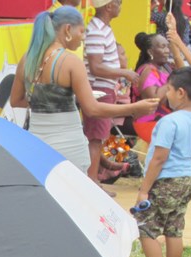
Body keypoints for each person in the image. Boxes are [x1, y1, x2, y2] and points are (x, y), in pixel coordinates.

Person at [10, 7, 156, 174]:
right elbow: (92, 109)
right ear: (67, 29)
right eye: (81, 31)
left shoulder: (27, 59)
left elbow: (15, 100)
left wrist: (46, 100)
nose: (83, 38)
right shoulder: (71, 62)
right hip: (69, 145)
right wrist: (135, 108)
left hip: (36, 142)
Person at [133, 67, 191, 257]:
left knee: (145, 226)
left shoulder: (169, 122)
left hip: (165, 181)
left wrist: (144, 189)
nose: (167, 94)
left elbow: (159, 157)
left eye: (169, 90)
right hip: (185, 180)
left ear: (181, 93)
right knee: (174, 229)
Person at [82, 0, 140, 184]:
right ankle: (93, 182)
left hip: (104, 88)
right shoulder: (97, 30)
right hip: (99, 89)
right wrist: (124, 72)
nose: (120, 7)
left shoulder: (102, 28)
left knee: (98, 138)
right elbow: (96, 67)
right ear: (108, 6)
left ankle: (96, 178)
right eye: (118, 3)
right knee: (95, 138)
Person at [131, 33, 174, 143]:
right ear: (150, 52)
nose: (167, 50)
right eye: (162, 47)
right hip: (150, 123)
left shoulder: (163, 68)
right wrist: (173, 81)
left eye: (167, 46)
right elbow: (154, 100)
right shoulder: (148, 70)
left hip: (164, 122)